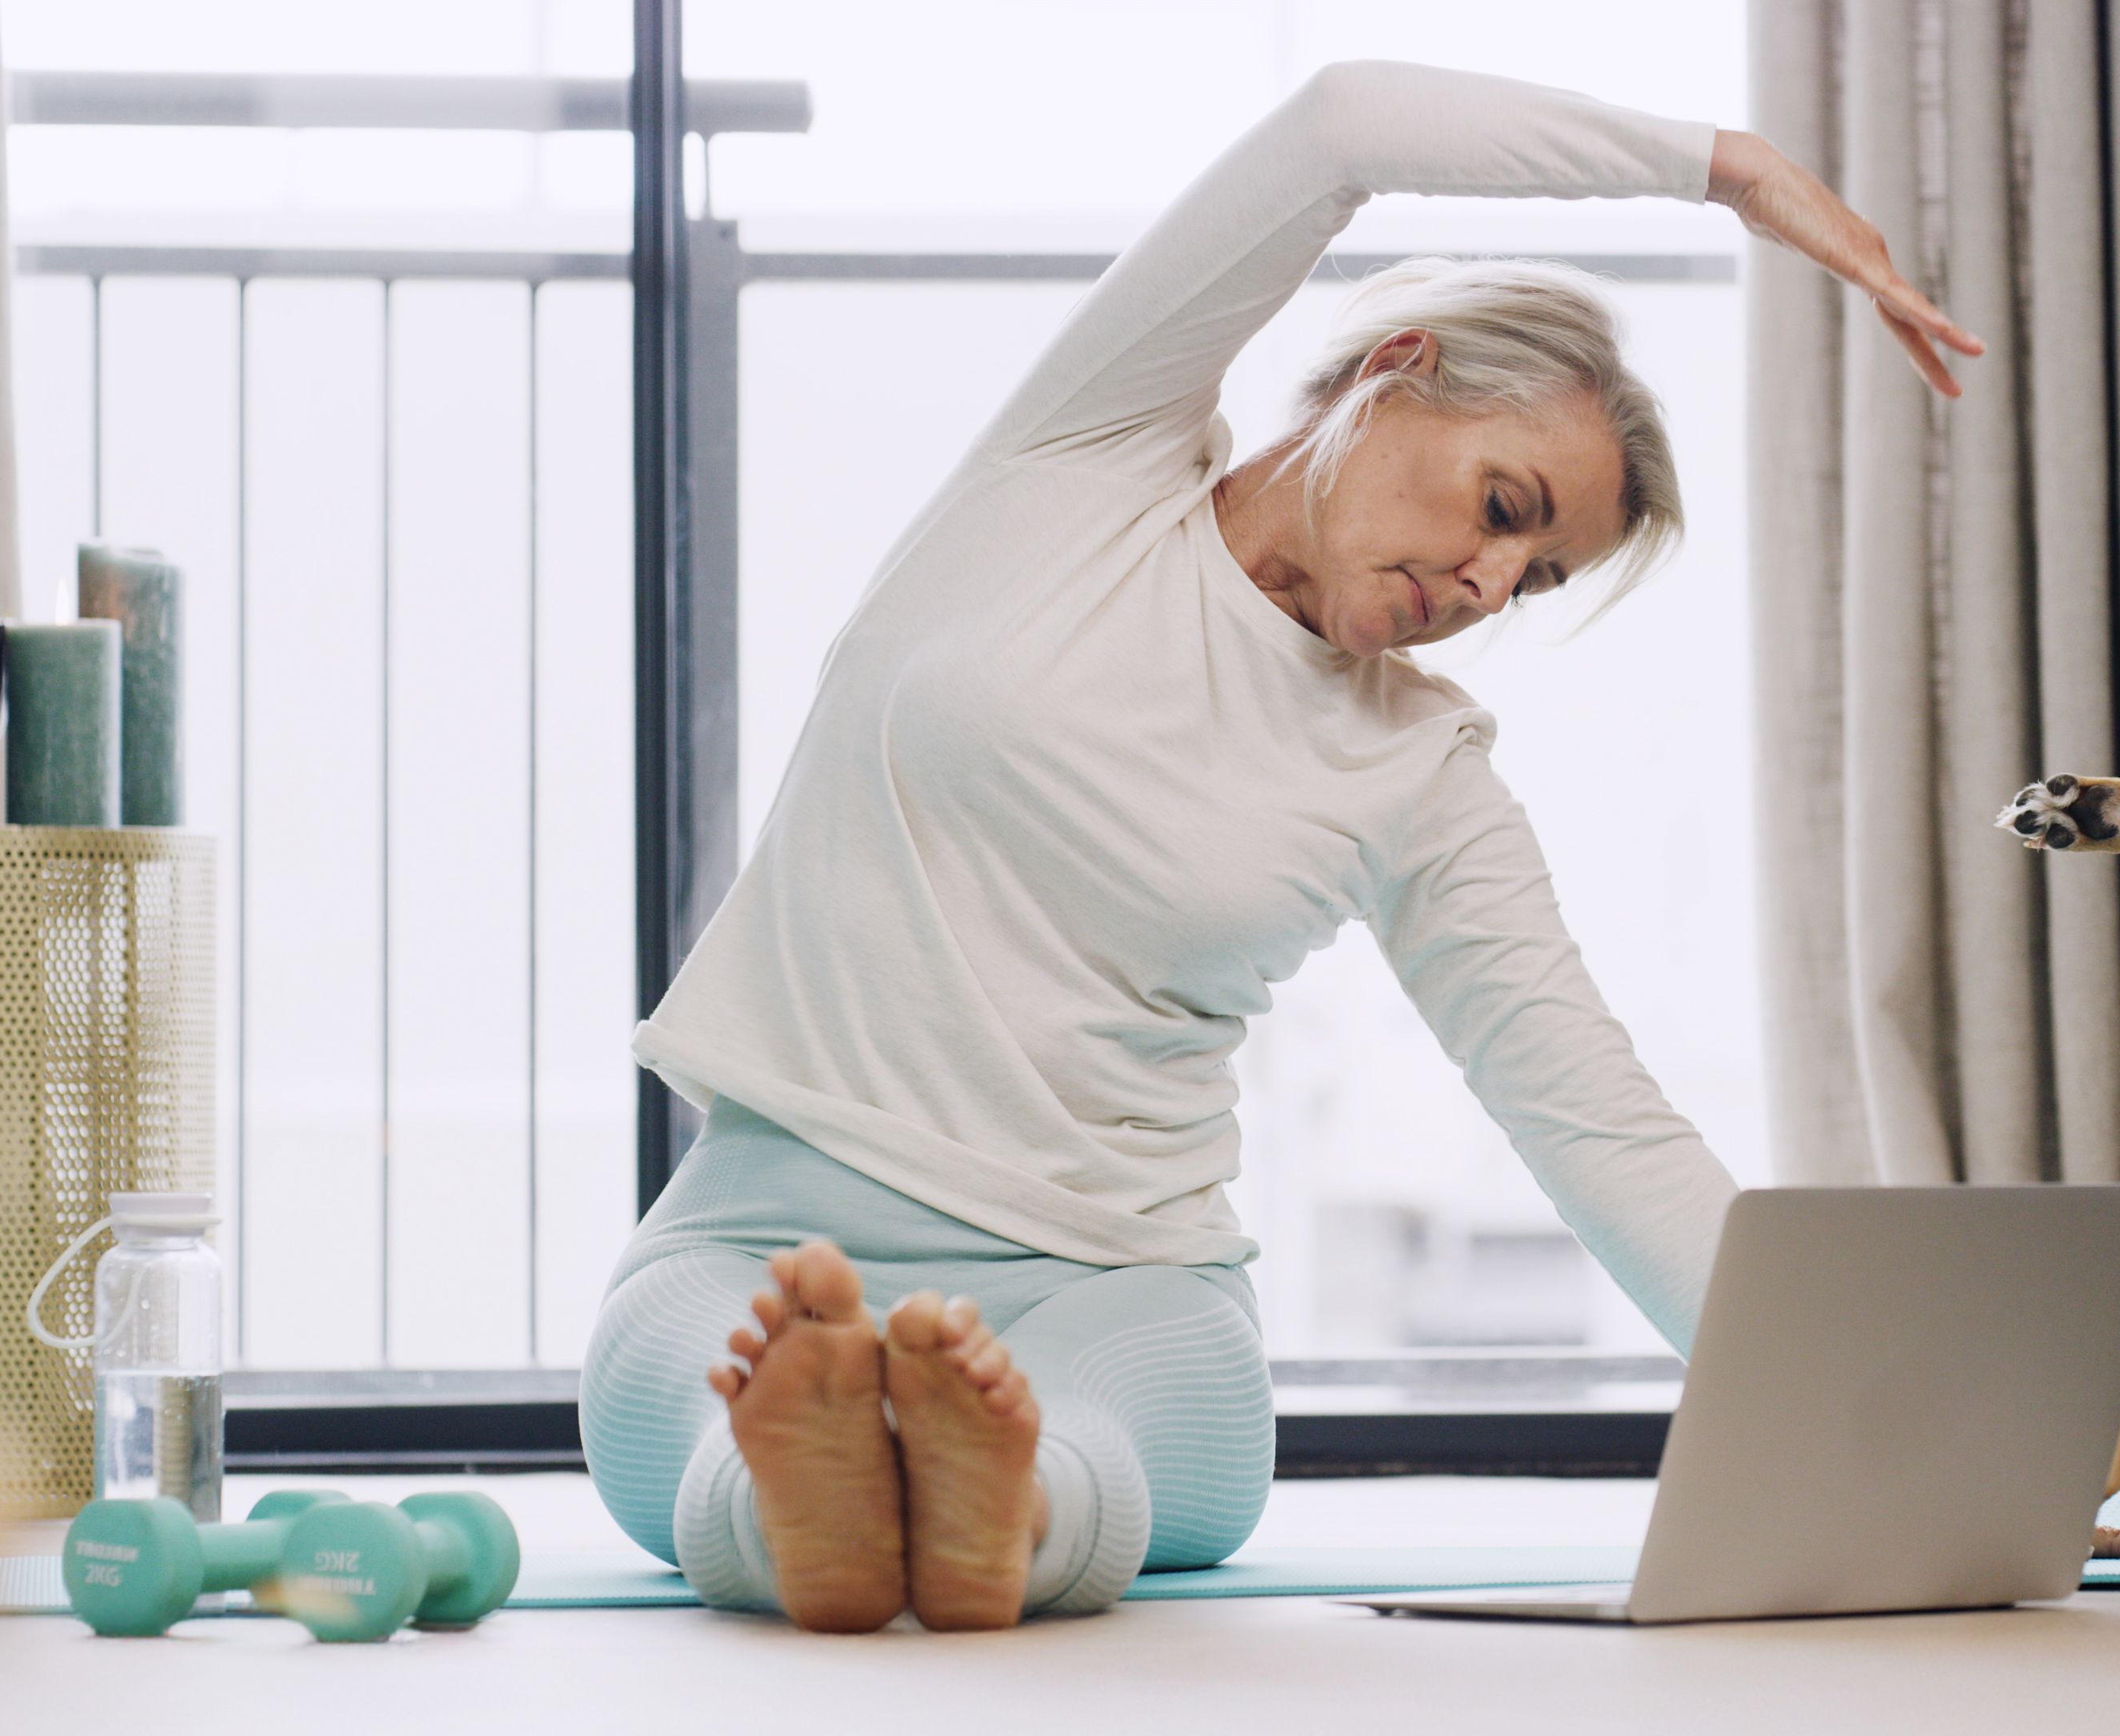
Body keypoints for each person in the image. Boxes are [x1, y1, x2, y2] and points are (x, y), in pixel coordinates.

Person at [576, 59, 1999, 1636]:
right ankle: (813, 1487)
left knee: (1145, 1447)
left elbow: (1592, 1120)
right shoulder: (1082, 465)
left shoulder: (1419, 770)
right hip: (773, 1236)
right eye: (1503, 500)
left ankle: (1003, 1499)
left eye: (1532, 577)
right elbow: (1340, 128)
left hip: (1120, 1296)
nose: (1483, 582)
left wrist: (1934, 1467)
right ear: (1394, 367)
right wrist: (1726, 168)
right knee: (674, 1409)